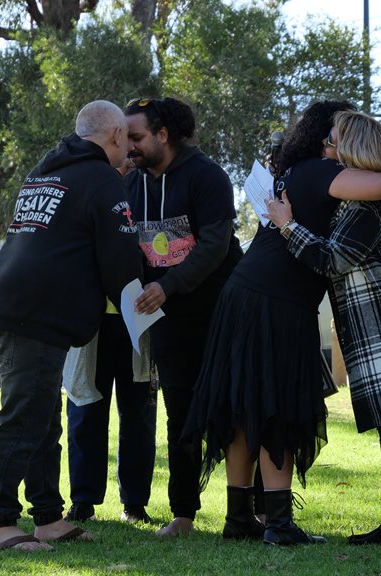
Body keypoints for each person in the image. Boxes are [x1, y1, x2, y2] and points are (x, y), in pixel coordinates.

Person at [183, 100, 381, 546]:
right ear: (325, 140)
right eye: (338, 134)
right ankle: (278, 524)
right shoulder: (321, 172)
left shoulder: (292, 173)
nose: (339, 142)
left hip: (244, 291)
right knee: (274, 402)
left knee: (243, 405)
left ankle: (239, 518)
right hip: (277, 302)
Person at [265, 109, 381, 547]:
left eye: (331, 144)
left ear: (350, 149)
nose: (325, 151)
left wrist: (286, 225)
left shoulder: (369, 203)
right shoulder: (362, 198)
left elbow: (334, 259)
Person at [0, 100, 143, 552]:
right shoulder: (101, 180)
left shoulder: (46, 171)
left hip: (6, 301)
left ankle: (48, 517)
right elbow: (120, 259)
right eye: (127, 140)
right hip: (35, 312)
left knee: (43, 418)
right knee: (25, 416)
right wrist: (147, 294)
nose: (130, 150)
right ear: (112, 136)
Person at [123, 96, 243, 537]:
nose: (129, 146)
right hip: (165, 318)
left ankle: (245, 512)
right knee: (180, 413)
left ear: (163, 134)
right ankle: (184, 514)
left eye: (136, 137)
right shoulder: (130, 184)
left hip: (219, 312)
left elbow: (214, 245)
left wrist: (167, 285)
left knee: (233, 409)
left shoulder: (207, 176)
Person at [63, 160, 157, 526]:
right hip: (90, 323)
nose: (128, 157)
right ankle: (83, 500)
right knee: (85, 409)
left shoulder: (146, 190)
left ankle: (135, 502)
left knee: (139, 414)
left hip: (138, 319)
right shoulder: (83, 189)